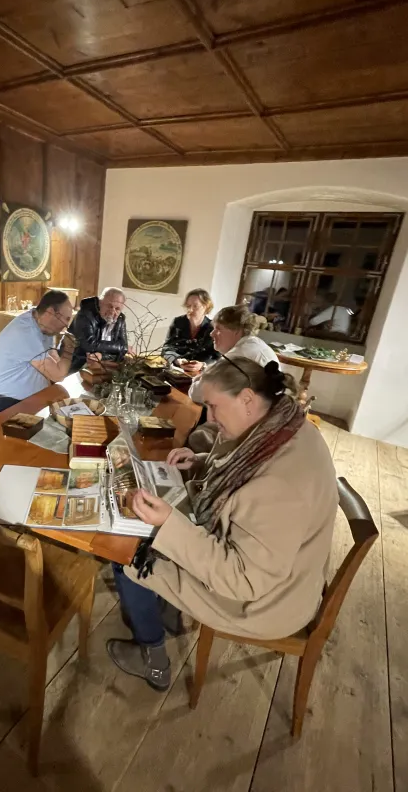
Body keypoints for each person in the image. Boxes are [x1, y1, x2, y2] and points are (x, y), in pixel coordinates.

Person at [106, 357, 338, 691]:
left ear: (247, 398)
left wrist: (169, 524)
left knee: (127, 553)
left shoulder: (280, 484)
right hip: (284, 575)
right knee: (153, 532)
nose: (210, 418)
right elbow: (237, 471)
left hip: (264, 603)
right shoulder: (279, 424)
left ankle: (152, 656)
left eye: (214, 407)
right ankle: (168, 612)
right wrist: (200, 462)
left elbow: (243, 580)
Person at [187, 305, 280, 452]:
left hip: (254, 431)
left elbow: (197, 393)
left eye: (218, 329)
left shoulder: (239, 355)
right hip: (266, 420)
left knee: (192, 429)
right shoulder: (254, 345)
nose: (212, 334)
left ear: (236, 330)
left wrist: (198, 378)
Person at [0, 290, 75, 415]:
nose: (66, 325)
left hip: (26, 397)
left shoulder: (44, 327)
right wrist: (69, 347)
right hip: (5, 401)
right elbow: (58, 375)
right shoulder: (25, 332)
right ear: (51, 313)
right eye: (66, 319)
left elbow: (56, 364)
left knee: (66, 403)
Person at [68, 287, 128, 372]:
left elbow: (124, 348)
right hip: (74, 365)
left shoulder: (120, 319)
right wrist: (119, 346)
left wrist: (102, 356)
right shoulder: (85, 315)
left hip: (102, 366)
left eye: (117, 309)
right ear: (100, 303)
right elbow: (89, 345)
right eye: (109, 306)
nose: (112, 311)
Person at [161, 288, 219, 373]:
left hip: (201, 374)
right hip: (176, 370)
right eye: (188, 306)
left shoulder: (213, 327)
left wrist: (203, 365)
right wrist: (177, 360)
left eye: (195, 306)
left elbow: (218, 356)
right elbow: (167, 348)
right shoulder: (178, 322)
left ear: (206, 306)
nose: (190, 310)